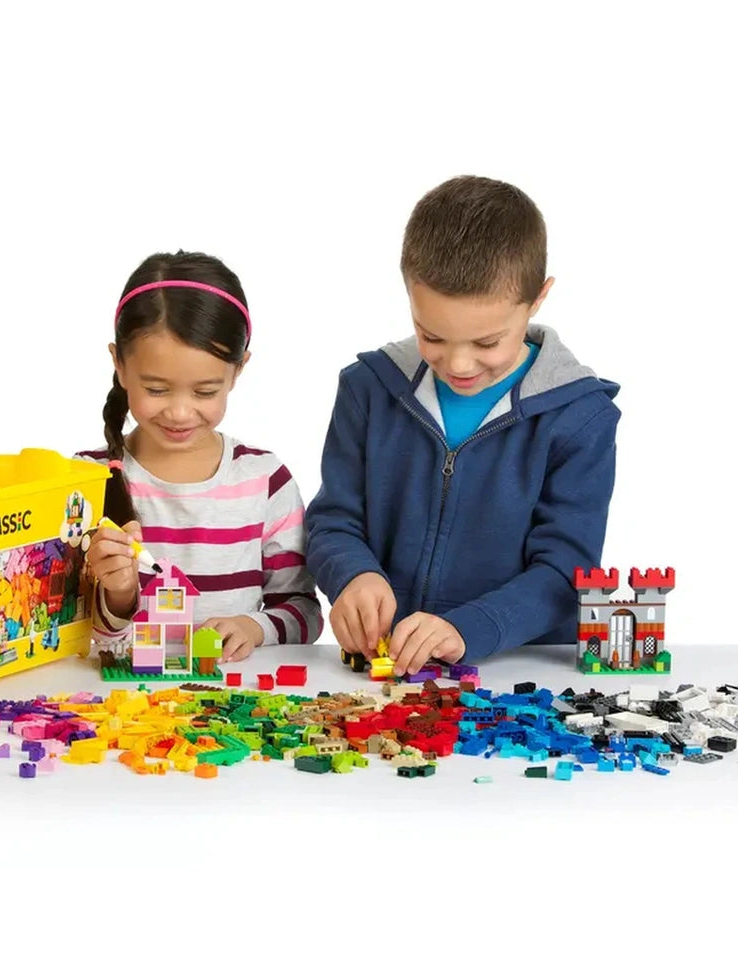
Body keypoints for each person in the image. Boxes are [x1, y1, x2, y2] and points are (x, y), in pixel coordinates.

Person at [306, 176, 620, 676]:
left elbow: (566, 572)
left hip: (523, 672)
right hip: (386, 674)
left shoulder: (580, 416)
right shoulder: (369, 387)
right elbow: (333, 520)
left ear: (538, 298)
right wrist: (353, 575)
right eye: (431, 335)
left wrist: (467, 629)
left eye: (487, 342)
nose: (459, 364)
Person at [78, 250, 322, 662]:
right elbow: (70, 629)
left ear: (238, 370)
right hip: (121, 706)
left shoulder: (265, 480)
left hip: (229, 705)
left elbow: (304, 611)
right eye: (156, 389)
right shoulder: (86, 480)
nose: (179, 412)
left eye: (205, 392)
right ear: (118, 364)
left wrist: (254, 627)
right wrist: (119, 595)